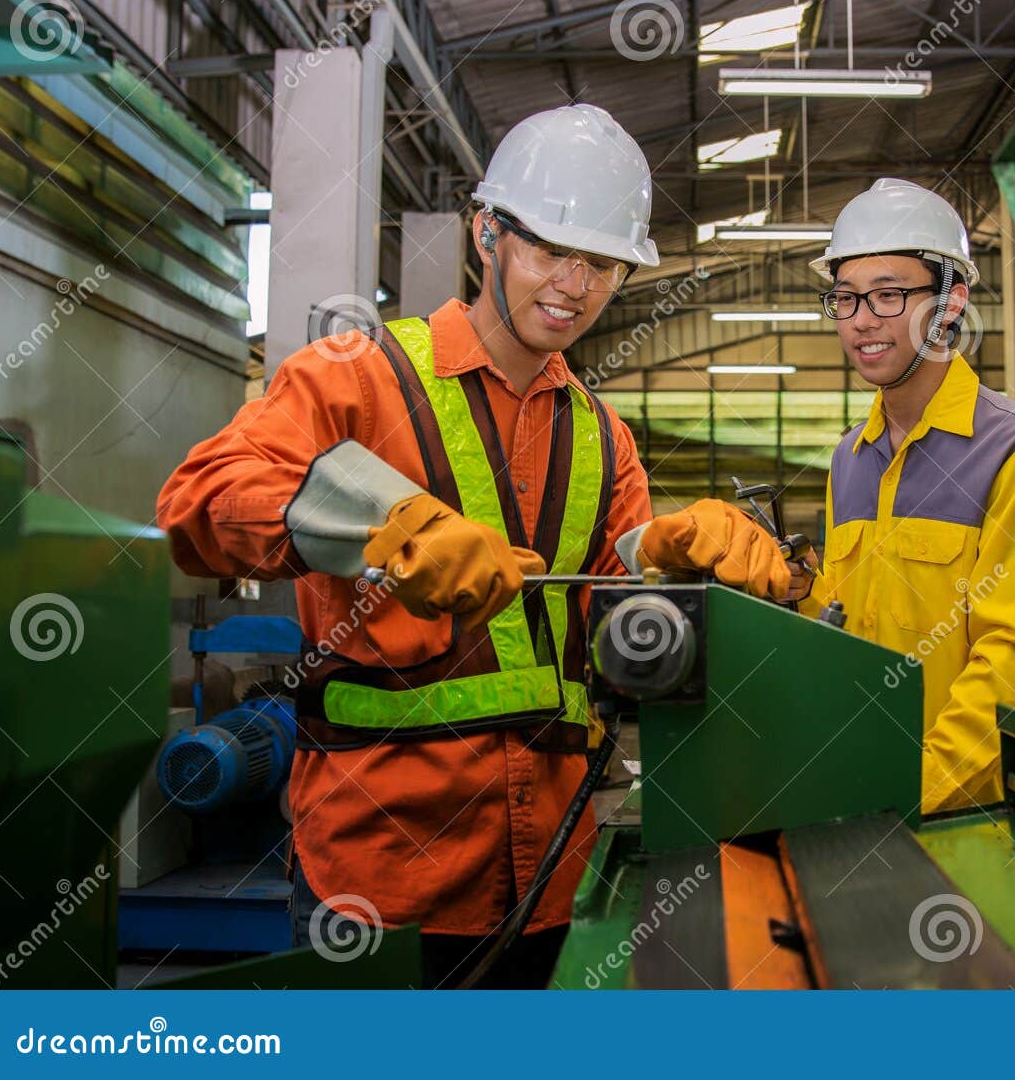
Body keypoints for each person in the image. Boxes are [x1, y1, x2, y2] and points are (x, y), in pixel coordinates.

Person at [156, 103, 784, 987]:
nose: (574, 283)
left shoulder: (605, 437)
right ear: (488, 233)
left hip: (556, 872)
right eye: (548, 250)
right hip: (380, 876)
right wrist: (379, 531)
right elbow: (198, 503)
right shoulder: (359, 375)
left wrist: (671, 556)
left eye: (601, 262)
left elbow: (614, 612)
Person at [796, 178, 1015, 814]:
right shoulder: (850, 458)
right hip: (853, 788)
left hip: (963, 815)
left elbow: (1009, 662)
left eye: (889, 295)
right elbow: (837, 626)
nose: (862, 320)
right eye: (846, 297)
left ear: (951, 302)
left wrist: (913, 789)